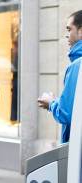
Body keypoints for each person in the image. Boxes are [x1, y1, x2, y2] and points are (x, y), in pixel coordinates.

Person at [38, 10, 82, 144]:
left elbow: (66, 113)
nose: (67, 35)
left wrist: (51, 103)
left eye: (69, 29)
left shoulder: (77, 66)